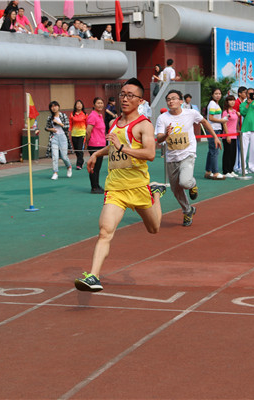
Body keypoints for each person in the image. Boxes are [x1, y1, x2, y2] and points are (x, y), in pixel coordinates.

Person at [74, 78, 166, 292]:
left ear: (140, 100)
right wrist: (97, 153)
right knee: (105, 231)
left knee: (154, 229)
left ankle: (156, 194)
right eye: (122, 94)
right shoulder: (113, 123)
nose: (124, 98)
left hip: (138, 186)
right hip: (115, 188)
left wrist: (123, 147)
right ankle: (94, 277)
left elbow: (150, 154)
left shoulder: (144, 125)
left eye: (130, 95)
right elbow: (112, 147)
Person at [156, 90, 221, 226]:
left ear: (181, 101)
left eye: (174, 99)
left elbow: (204, 122)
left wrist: (215, 136)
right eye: (168, 99)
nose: (171, 101)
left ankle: (192, 184)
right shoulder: (163, 118)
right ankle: (188, 211)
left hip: (188, 153)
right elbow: (159, 137)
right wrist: (166, 135)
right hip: (172, 157)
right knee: (176, 190)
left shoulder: (190, 113)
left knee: (184, 182)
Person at [45, 101, 72, 180]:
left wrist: (59, 123)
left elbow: (67, 127)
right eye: (52, 106)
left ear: (58, 107)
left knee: (64, 156)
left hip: (63, 137)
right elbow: (46, 128)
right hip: (54, 138)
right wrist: (51, 129)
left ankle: (69, 167)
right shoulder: (50, 118)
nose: (54, 108)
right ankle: (55, 172)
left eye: (55, 106)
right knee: (55, 156)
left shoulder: (63, 116)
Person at [86, 98, 106, 193]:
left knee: (98, 167)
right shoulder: (93, 116)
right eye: (98, 103)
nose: (100, 105)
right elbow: (88, 131)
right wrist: (88, 142)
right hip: (94, 145)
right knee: (94, 166)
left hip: (101, 144)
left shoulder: (100, 116)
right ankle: (94, 187)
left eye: (101, 103)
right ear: (94, 105)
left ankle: (97, 185)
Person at [205, 87, 226, 180]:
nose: (218, 95)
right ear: (212, 95)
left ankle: (208, 171)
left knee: (211, 151)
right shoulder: (212, 104)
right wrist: (221, 120)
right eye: (216, 94)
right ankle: (215, 172)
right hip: (213, 129)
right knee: (214, 151)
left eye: (219, 94)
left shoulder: (215, 104)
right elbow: (211, 118)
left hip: (215, 128)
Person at [221, 95, 239, 178]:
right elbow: (224, 123)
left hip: (234, 135)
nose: (232, 102)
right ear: (227, 102)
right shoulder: (225, 112)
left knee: (233, 153)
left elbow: (236, 122)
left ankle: (231, 170)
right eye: (230, 100)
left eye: (233, 100)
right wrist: (227, 135)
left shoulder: (235, 111)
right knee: (227, 153)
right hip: (227, 135)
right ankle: (226, 171)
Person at [69, 100, 87, 170]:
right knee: (76, 150)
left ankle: (79, 164)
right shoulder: (72, 114)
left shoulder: (85, 114)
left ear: (82, 106)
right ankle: (81, 160)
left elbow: (87, 124)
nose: (79, 105)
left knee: (79, 149)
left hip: (82, 134)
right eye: (77, 104)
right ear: (75, 106)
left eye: (80, 104)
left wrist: (87, 133)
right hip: (74, 134)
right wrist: (69, 130)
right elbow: (70, 123)